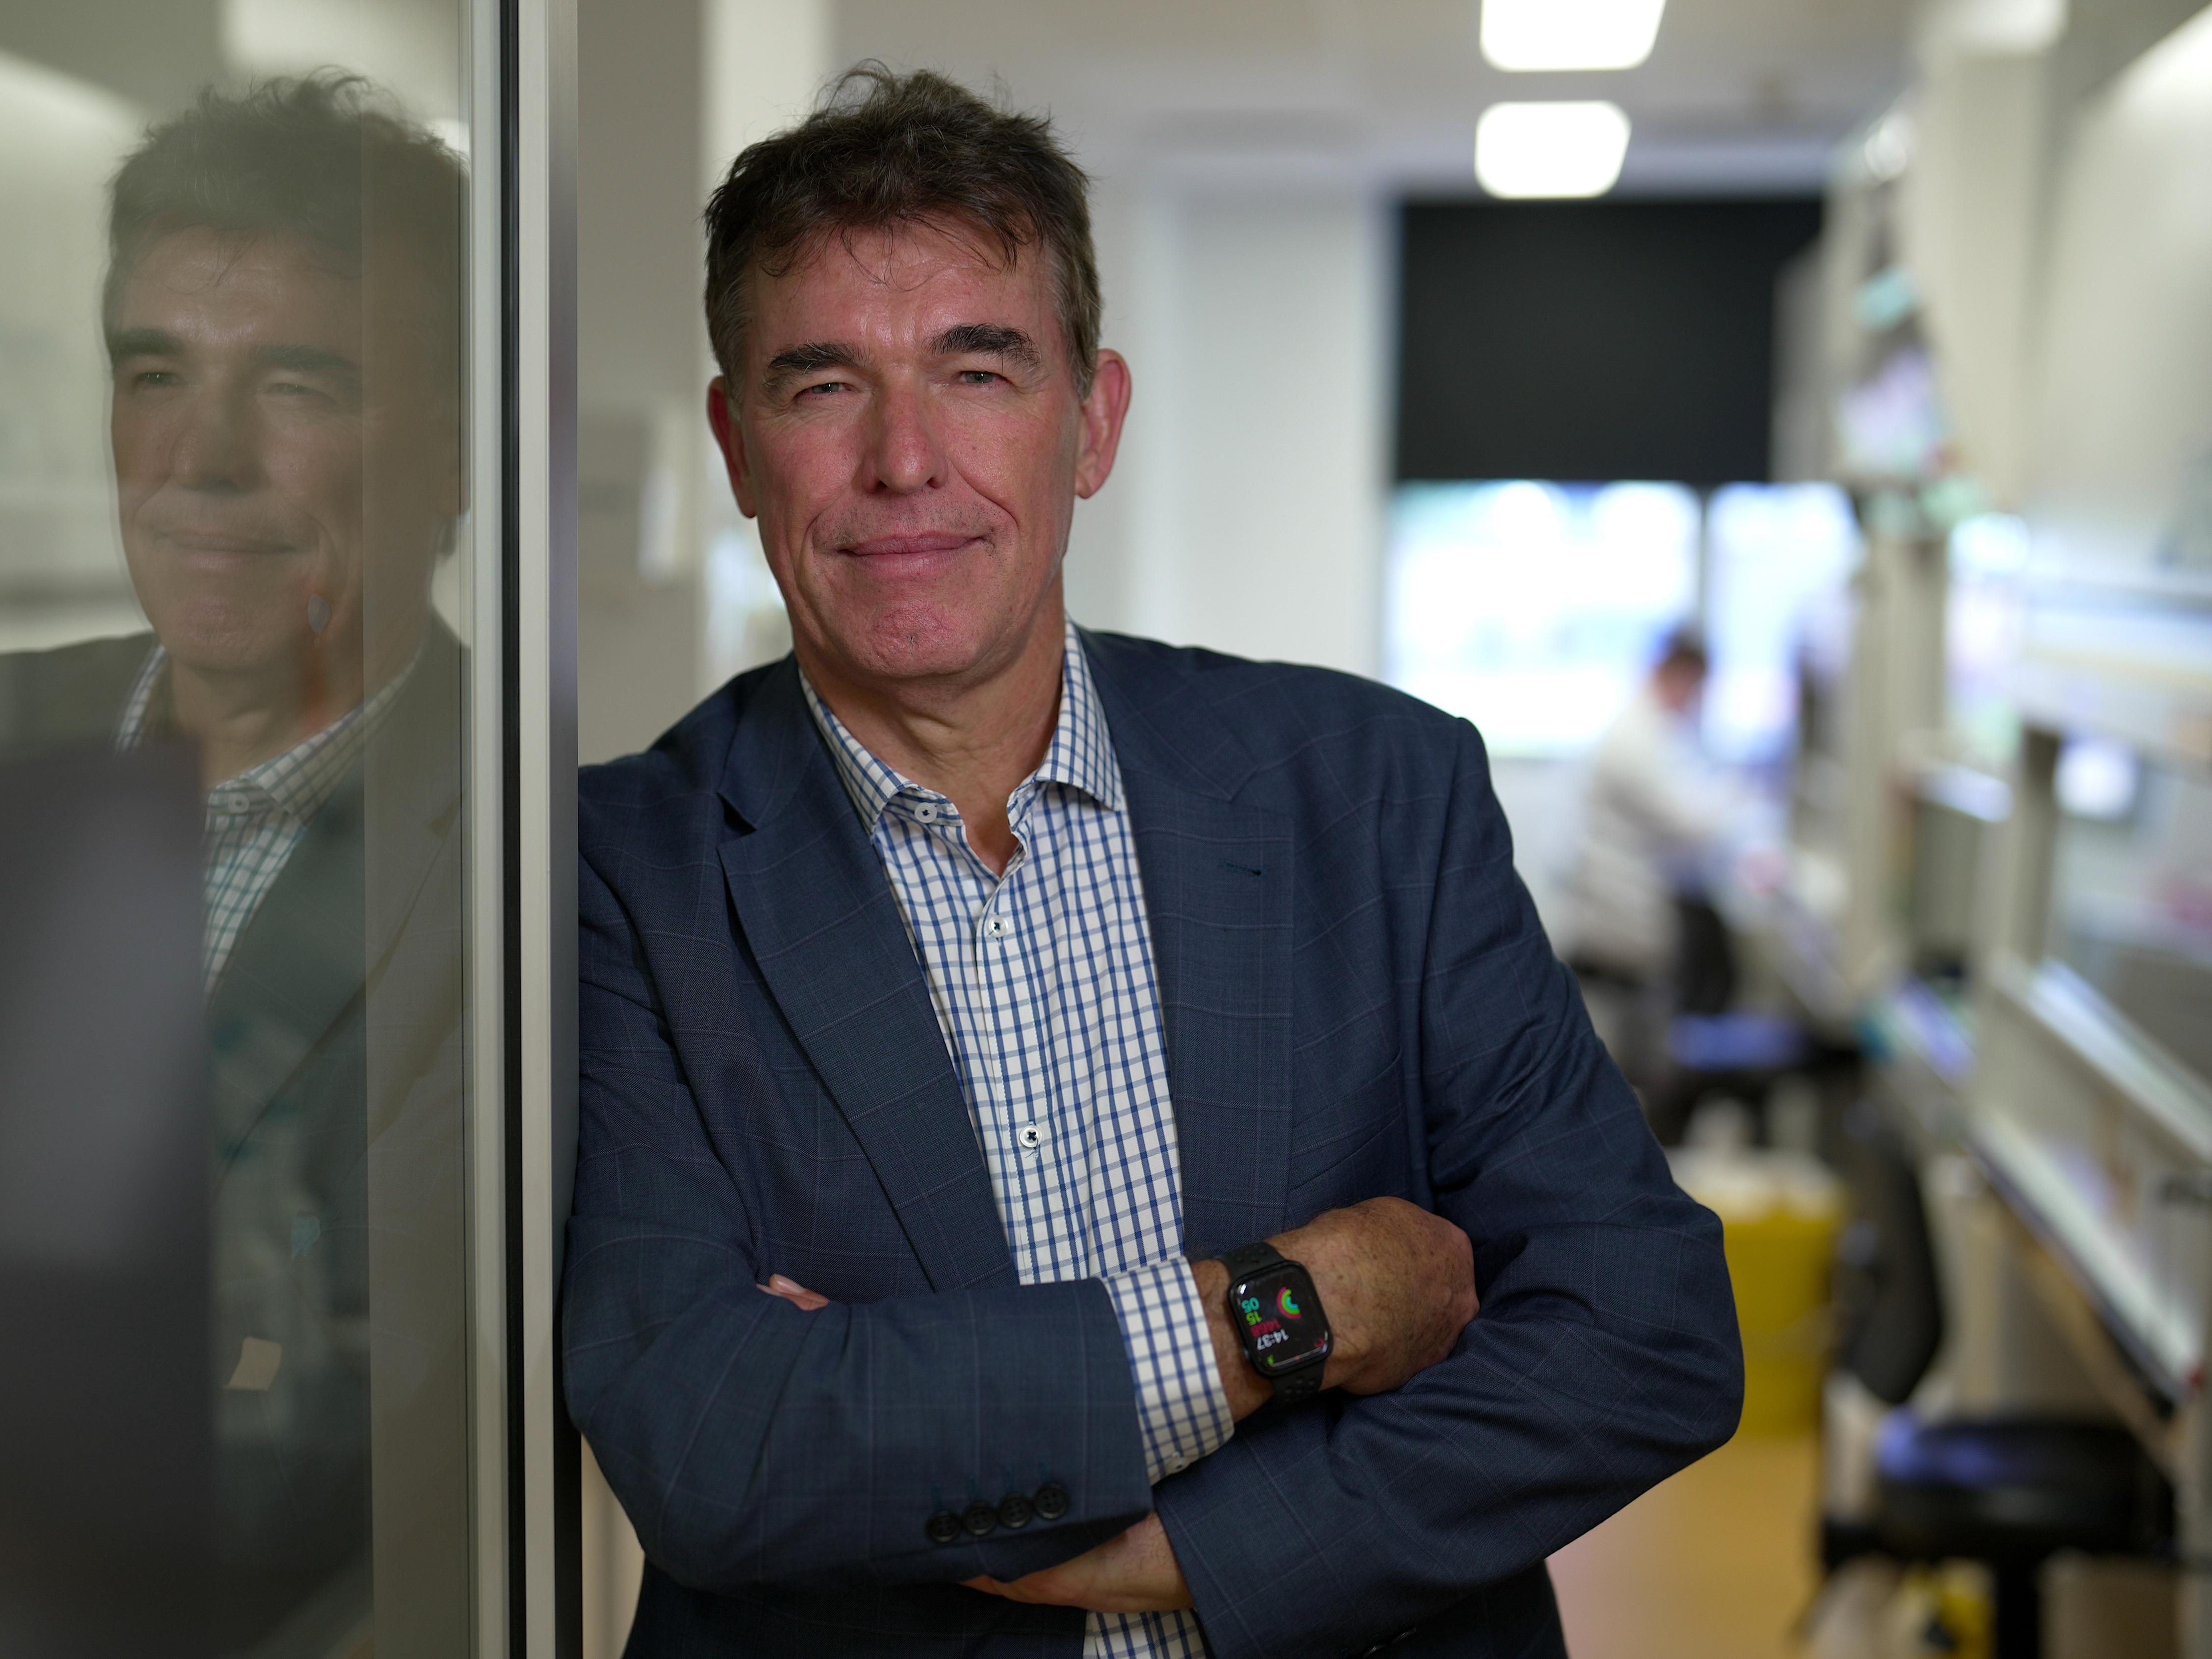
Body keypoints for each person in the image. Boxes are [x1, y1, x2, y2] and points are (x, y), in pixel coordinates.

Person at [569, 66, 1743, 1659]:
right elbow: (717, 1450)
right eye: (822, 384)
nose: (904, 460)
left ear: (1093, 420)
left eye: (978, 369)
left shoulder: (1378, 792)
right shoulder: (619, 873)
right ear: (734, 441)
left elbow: (1646, 1331)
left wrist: (1199, 1546)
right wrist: (1291, 1310)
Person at [0, 76, 472, 1657]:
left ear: (450, 447)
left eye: (298, 382)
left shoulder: (530, 861)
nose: (200, 457)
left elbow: (333, 1437)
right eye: (155, 370)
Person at [1563, 631, 1740, 1095]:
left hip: (1630, 906)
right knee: (1640, 1052)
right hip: (1622, 916)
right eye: (1697, 689)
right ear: (1681, 675)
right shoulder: (1635, 737)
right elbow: (1688, 819)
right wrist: (1741, 796)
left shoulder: (1653, 728)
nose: (1697, 702)